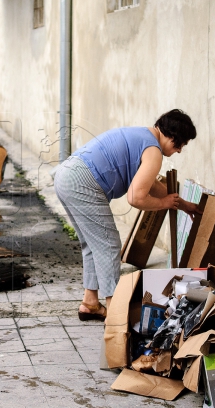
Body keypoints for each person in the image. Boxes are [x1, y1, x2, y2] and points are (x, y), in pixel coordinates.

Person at [53, 109, 201, 321]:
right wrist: (163, 204)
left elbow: (154, 186)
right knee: (109, 245)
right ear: (172, 136)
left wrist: (184, 205)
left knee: (92, 244)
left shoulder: (142, 137)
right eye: (180, 145)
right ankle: (115, 315)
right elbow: (136, 198)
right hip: (83, 182)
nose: (179, 151)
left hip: (66, 175)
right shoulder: (154, 151)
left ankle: (91, 303)